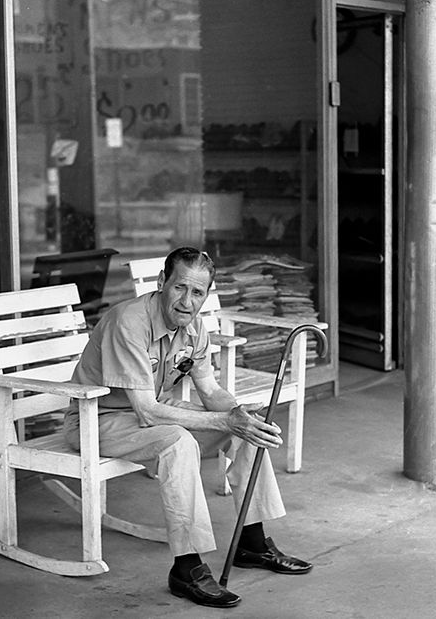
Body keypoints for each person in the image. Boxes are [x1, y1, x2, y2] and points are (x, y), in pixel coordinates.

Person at [62, 246, 311, 609]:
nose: (187, 301)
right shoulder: (129, 321)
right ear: (163, 282)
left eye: (197, 293)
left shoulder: (193, 326)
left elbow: (209, 390)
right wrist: (225, 419)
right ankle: (187, 568)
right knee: (177, 442)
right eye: (180, 287)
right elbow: (146, 410)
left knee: (246, 430)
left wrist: (240, 415)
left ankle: (252, 543)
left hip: (152, 411)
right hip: (97, 418)